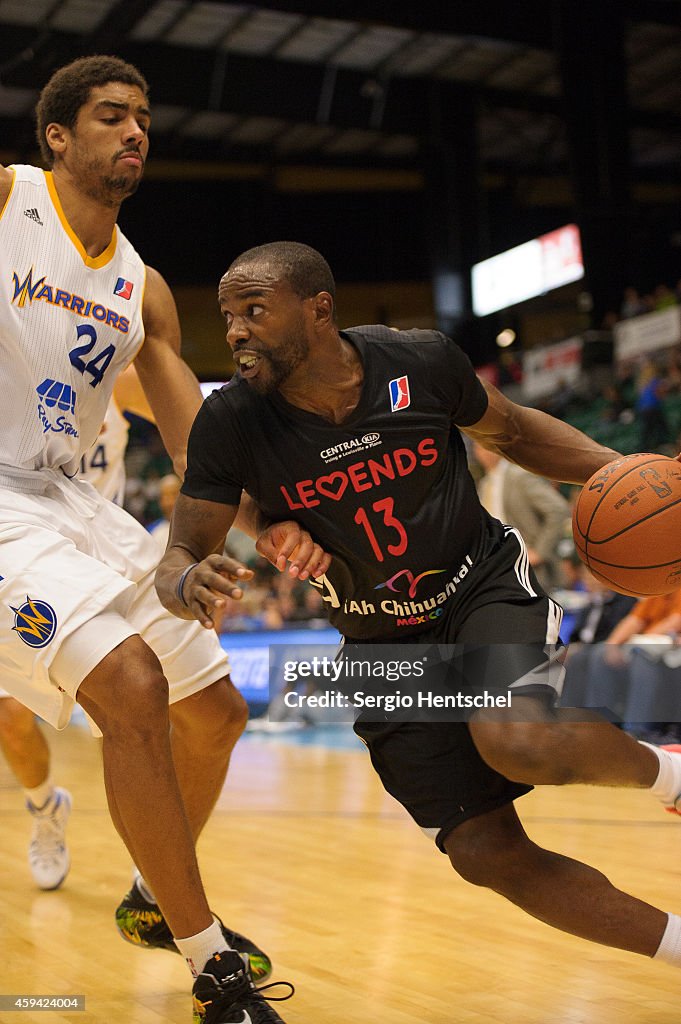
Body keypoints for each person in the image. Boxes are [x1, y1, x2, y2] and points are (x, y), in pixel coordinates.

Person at [156, 240, 681, 1000]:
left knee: (517, 736)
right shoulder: (231, 422)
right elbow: (179, 554)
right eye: (228, 316)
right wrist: (193, 576)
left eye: (254, 312)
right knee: (482, 851)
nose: (234, 331)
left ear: (318, 309)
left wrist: (626, 474)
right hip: (378, 640)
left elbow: (516, 433)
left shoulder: (421, 362)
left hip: (474, 586)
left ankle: (670, 773)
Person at [0, 59, 333, 1024]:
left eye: (144, 119)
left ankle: (153, 898)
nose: (135, 132)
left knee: (217, 714)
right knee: (131, 688)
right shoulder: (9, 199)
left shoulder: (141, 288)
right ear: (57, 136)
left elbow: (190, 431)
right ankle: (214, 970)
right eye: (111, 117)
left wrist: (272, 526)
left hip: (74, 502)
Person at [0, 366, 149, 892]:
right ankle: (45, 810)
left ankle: (155, 871)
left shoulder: (118, 376)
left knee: (132, 716)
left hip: (103, 560)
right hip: (29, 554)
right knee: (10, 716)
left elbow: (197, 434)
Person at [472, 440, 571, 592]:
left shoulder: (519, 476)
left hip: (531, 570)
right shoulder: (485, 484)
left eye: (485, 446)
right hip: (501, 569)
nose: (482, 451)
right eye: (477, 447)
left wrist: (539, 551)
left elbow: (558, 509)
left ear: (497, 448)